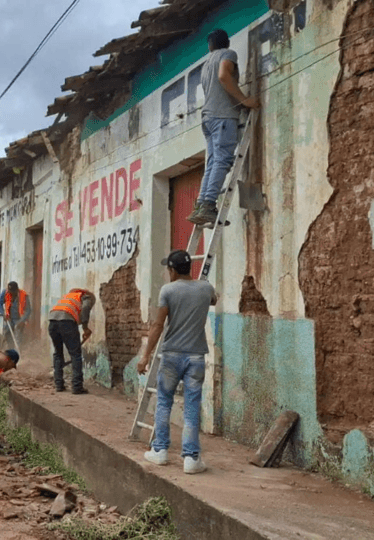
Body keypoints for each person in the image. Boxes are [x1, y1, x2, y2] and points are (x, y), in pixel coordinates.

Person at [137, 250, 216, 474]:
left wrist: (145, 356)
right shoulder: (205, 288)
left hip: (171, 356)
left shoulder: (168, 290)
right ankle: (191, 459)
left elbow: (158, 325)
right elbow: (214, 298)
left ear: (172, 270)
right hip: (196, 357)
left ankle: (160, 451)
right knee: (191, 407)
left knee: (164, 402)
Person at [188, 28, 260, 228]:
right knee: (222, 160)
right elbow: (223, 76)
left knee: (212, 163)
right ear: (227, 43)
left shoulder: (205, 64)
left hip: (208, 118)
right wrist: (244, 100)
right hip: (223, 117)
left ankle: (202, 204)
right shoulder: (227, 54)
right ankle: (209, 205)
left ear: (210, 45)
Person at [48, 288, 95, 394]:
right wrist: (85, 328)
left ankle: (59, 385)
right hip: (66, 323)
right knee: (76, 355)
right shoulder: (85, 297)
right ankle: (77, 386)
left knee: (58, 353)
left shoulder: (67, 297)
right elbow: (86, 308)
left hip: (52, 323)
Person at [0, 281, 31, 349]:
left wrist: (22, 320)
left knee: (18, 338)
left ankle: (18, 354)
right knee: (7, 335)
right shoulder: (5, 292)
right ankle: (10, 351)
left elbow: (28, 310)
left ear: (17, 290)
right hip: (8, 319)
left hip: (19, 319)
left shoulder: (24, 295)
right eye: (10, 292)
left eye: (12, 292)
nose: (11, 294)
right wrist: (3, 313)